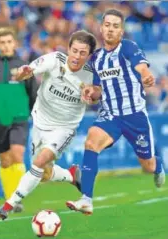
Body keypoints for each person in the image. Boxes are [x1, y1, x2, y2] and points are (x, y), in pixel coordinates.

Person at [66, 9, 166, 215]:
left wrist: (146, 75)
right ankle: (86, 199)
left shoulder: (128, 47)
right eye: (107, 25)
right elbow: (98, 90)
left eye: (115, 26)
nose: (111, 29)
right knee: (91, 142)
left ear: (121, 31)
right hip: (110, 114)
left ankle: (158, 166)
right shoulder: (96, 60)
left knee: (147, 166)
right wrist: (89, 91)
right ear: (101, 29)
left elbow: (141, 67)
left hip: (135, 116)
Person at [0, 30, 97, 220]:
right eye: (74, 50)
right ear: (68, 48)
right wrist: (22, 74)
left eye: (83, 53)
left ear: (89, 55)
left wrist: (92, 96)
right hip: (40, 122)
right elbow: (23, 74)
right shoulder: (54, 60)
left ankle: (9, 205)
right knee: (43, 173)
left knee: (39, 162)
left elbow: (98, 95)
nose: (77, 56)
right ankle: (71, 175)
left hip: (64, 128)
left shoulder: (91, 75)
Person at [0, 27, 38, 212]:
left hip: (19, 117)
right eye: (2, 42)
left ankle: (16, 198)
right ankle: (11, 198)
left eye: (9, 41)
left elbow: (33, 92)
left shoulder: (24, 66)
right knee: (5, 161)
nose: (6, 45)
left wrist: (36, 112)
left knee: (17, 154)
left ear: (15, 43)